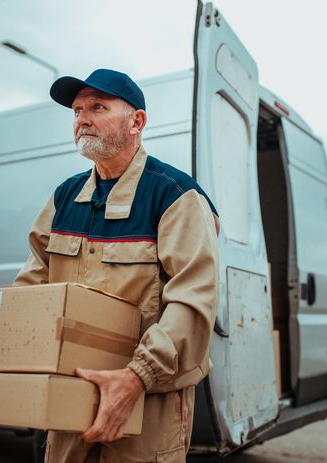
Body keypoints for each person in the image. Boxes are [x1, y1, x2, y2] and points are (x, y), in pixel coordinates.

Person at [13, 69, 220, 462]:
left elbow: (193, 303)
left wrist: (136, 377)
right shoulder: (64, 197)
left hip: (149, 394)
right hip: (71, 392)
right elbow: (31, 290)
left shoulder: (175, 196)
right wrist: (3, 373)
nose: (82, 119)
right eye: (76, 111)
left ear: (136, 122)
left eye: (98, 107)